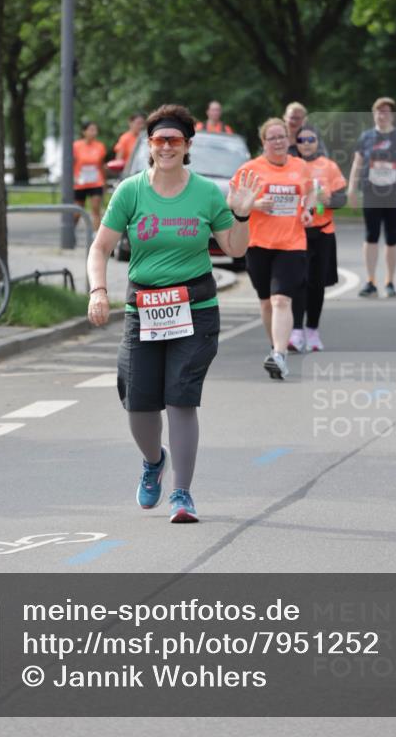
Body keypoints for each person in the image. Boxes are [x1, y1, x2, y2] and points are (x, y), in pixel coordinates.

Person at [86, 104, 260, 524]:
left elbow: (235, 248)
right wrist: (98, 291)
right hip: (144, 308)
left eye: (174, 140)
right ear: (149, 145)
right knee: (139, 404)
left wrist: (241, 214)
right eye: (159, 140)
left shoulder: (206, 193)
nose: (166, 147)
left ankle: (182, 494)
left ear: (187, 146)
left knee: (181, 398)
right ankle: (153, 461)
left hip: (194, 308)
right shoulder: (130, 191)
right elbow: (100, 248)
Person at [231, 117, 314, 380]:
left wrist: (309, 210)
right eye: (272, 138)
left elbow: (311, 192)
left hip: (292, 243)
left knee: (281, 299)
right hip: (258, 243)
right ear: (263, 142)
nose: (278, 142)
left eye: (282, 137)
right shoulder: (250, 169)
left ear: (289, 140)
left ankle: (279, 354)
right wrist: (255, 204)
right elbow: (232, 200)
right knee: (266, 303)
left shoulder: (300, 166)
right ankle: (275, 348)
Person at [347, 97, 396, 299]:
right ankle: (370, 281)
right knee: (371, 235)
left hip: (395, 193)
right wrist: (352, 189)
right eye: (378, 111)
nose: (382, 115)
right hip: (371, 193)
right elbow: (357, 164)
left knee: (392, 236)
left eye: (386, 111)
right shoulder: (366, 137)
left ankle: (390, 282)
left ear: (392, 115)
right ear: (373, 114)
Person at [289, 124, 347, 352]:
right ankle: (296, 331)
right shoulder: (290, 165)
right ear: (296, 144)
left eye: (310, 139)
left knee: (317, 284)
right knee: (297, 282)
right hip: (296, 233)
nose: (306, 144)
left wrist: (328, 200)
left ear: (317, 142)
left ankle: (312, 330)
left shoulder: (329, 166)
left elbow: (342, 199)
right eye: (301, 140)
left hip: (323, 233)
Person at [73, 120, 107, 233]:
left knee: (96, 210)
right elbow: (71, 163)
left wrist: (104, 182)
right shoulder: (76, 146)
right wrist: (72, 178)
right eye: (91, 130)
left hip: (96, 182)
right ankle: (70, 232)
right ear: (84, 132)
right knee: (77, 211)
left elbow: (101, 165)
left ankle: (96, 236)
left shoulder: (100, 146)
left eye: (95, 130)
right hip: (80, 183)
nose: (94, 132)